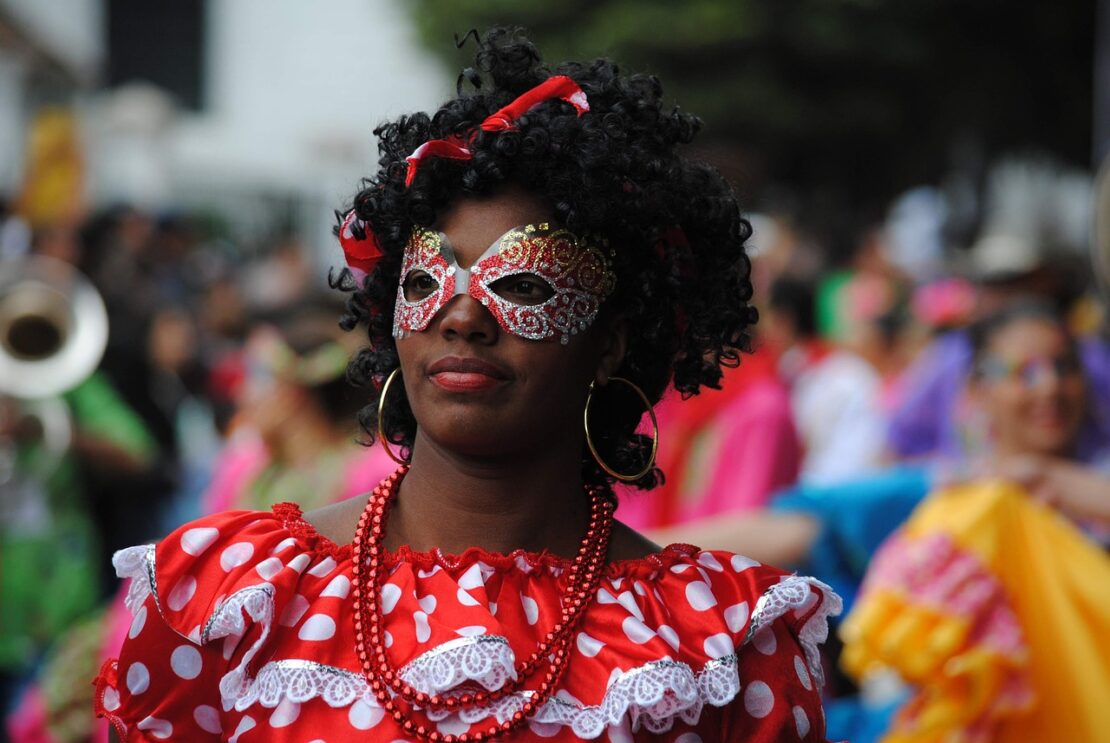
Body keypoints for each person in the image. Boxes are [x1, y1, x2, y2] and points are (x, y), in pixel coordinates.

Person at [93, 29, 840, 741]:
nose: (462, 317)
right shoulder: (231, 597)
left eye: (523, 284)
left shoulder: (721, 645)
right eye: (427, 280)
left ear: (612, 341)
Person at [840, 300, 1110, 742]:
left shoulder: (1093, 486)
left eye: (1064, 367)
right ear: (979, 390)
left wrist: (1048, 478)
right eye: (1024, 372)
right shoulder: (953, 501)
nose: (1050, 387)